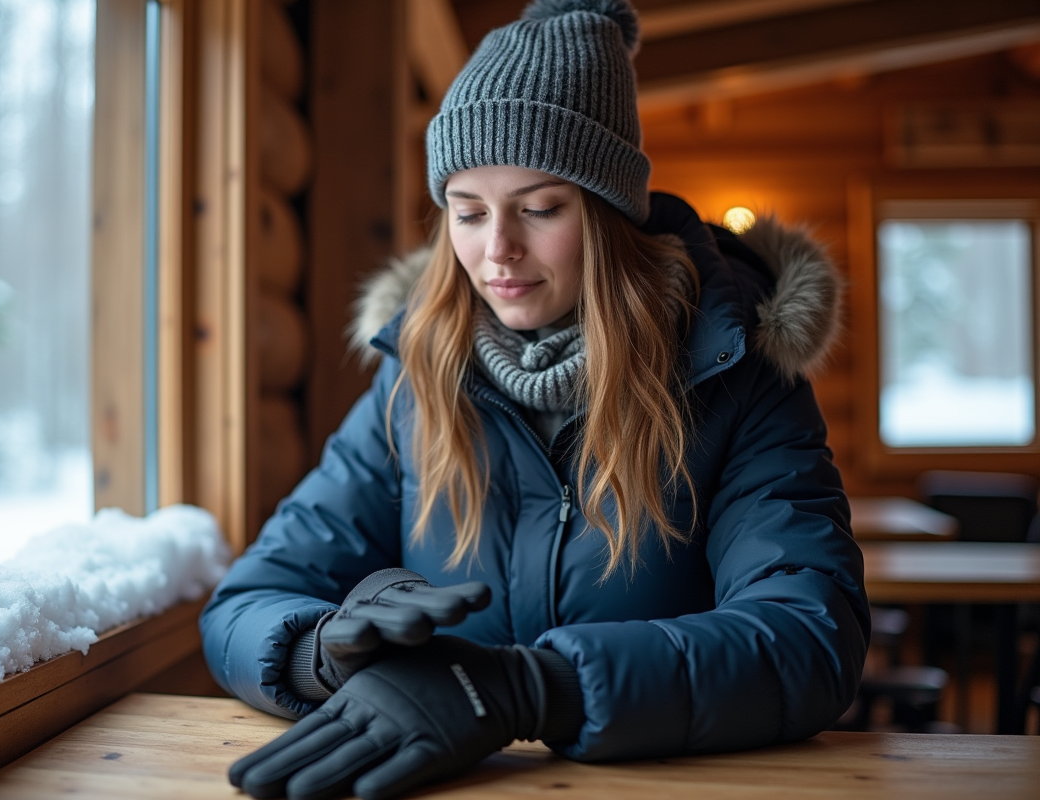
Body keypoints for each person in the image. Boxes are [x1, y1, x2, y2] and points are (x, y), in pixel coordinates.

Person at [201, 1, 869, 798]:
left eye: (540, 208)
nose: (497, 251)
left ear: (611, 213)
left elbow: (808, 637)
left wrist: (536, 689)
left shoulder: (737, 375)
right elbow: (244, 601)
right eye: (468, 212)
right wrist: (320, 649)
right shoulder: (415, 377)